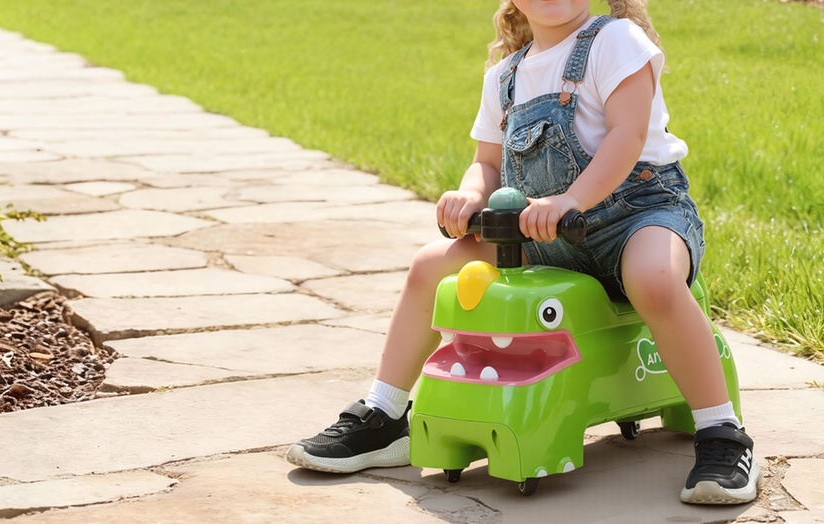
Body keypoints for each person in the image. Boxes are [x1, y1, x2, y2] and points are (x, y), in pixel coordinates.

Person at [287, 0, 760, 505]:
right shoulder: (505, 76)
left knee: (653, 278)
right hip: (543, 233)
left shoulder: (615, 40)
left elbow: (628, 135)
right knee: (431, 265)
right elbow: (486, 163)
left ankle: (722, 432)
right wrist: (472, 194)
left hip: (639, 214)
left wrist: (573, 199)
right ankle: (386, 414)